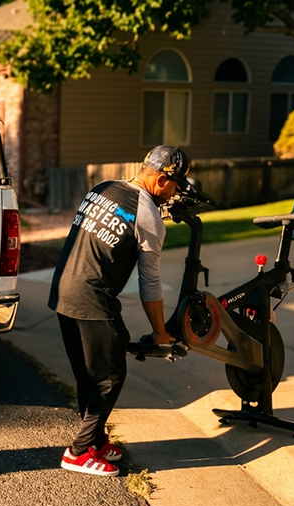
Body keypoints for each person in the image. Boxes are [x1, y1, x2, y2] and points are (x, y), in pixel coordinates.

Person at [47, 145, 189, 476]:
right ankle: (78, 452)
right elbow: (150, 283)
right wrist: (160, 333)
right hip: (92, 299)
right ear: (162, 179)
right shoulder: (149, 216)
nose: (174, 194)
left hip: (63, 289)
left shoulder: (102, 189)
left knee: (89, 373)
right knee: (108, 378)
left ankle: (95, 441)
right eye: (175, 186)